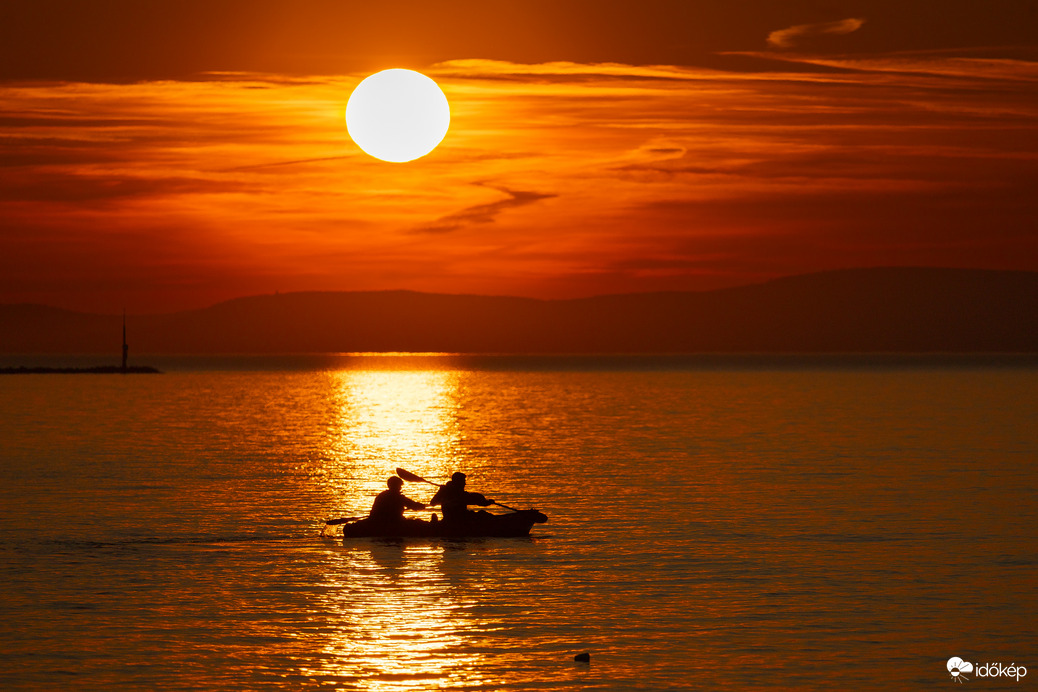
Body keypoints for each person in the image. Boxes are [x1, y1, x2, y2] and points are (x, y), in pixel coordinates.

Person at [428, 472, 493, 524]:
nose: (465, 484)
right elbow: (432, 503)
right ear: (459, 483)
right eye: (463, 481)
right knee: (483, 515)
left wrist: (488, 502)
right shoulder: (458, 494)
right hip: (459, 521)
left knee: (482, 514)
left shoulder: (449, 492)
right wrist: (440, 491)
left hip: (454, 519)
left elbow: (476, 500)